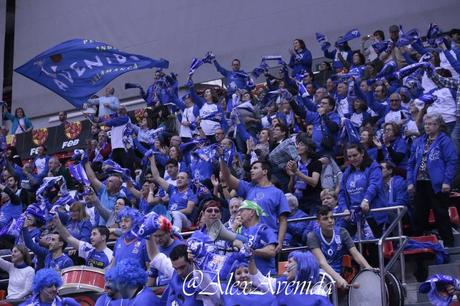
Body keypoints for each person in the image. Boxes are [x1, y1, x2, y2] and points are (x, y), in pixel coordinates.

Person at [407, 113, 458, 247]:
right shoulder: (419, 141)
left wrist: (447, 180)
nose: (427, 126)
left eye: (431, 124)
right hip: (420, 183)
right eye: (426, 124)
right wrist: (410, 182)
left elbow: (452, 161)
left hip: (438, 184)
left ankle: (448, 243)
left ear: (438, 125)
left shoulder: (444, 140)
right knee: (418, 216)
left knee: (441, 214)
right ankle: (419, 246)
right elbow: (410, 164)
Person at [220, 158, 289, 253]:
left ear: (265, 171)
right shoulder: (248, 188)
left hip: (268, 239)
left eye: (255, 168)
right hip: (248, 237)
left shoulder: (278, 193)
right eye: (251, 168)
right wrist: (222, 158)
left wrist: (280, 242)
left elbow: (283, 220)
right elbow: (227, 177)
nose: (251, 170)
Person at [307, 206, 374, 289]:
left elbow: (356, 254)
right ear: (318, 222)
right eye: (325, 219)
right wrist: (338, 279)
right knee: (320, 288)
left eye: (332, 217)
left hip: (337, 272)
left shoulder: (342, 232)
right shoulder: (312, 236)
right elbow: (322, 263)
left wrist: (369, 268)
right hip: (319, 273)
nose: (330, 221)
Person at [338, 144, 388, 239]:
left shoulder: (374, 167)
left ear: (362, 153)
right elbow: (341, 193)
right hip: (352, 217)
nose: (352, 158)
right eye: (349, 156)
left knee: (373, 248)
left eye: (355, 155)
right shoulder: (347, 172)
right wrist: (344, 208)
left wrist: (366, 200)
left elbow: (374, 185)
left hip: (372, 215)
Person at [148, 242, 221, 305]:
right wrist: (148, 236)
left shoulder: (204, 279)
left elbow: (217, 297)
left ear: (191, 262)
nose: (179, 272)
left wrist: (200, 267)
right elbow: (155, 257)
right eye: (176, 268)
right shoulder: (175, 270)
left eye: (182, 267)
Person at [149, 154, 197, 230]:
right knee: (153, 215)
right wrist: (152, 160)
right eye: (178, 178)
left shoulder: (191, 194)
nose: (179, 179)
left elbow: (188, 210)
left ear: (188, 181)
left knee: (176, 213)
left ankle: (176, 234)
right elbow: (157, 177)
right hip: (170, 218)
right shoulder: (172, 189)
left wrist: (172, 213)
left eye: (182, 178)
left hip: (185, 221)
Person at [232, 200, 277, 275]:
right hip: (246, 278)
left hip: (265, 277)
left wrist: (250, 251)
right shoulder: (240, 231)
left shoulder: (264, 229)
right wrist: (233, 228)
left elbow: (271, 251)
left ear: (252, 212)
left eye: (242, 210)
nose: (238, 214)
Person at [286, 134, 322, 214]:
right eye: (297, 144)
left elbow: (314, 182)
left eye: (301, 144)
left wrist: (296, 172)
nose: (297, 147)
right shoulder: (296, 163)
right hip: (299, 201)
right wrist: (292, 176)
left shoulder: (316, 162)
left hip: (313, 201)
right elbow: (290, 189)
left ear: (308, 147)